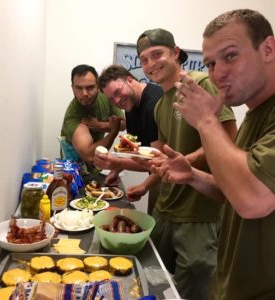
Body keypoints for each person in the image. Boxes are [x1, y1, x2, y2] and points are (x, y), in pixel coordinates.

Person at [150, 9, 275, 300]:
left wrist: (206, 121)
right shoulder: (256, 114)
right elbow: (233, 189)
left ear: (268, 49)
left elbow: (252, 199)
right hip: (230, 285)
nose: (218, 73)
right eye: (210, 63)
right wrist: (192, 175)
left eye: (230, 56)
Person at [128, 28, 237, 300]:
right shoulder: (159, 105)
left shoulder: (200, 83)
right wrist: (143, 178)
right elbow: (166, 159)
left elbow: (228, 138)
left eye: (157, 54)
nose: (151, 64)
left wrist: (186, 163)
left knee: (194, 292)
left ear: (175, 53)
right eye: (144, 59)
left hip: (199, 213)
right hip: (166, 210)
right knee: (156, 284)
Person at [94, 64, 163, 212]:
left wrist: (117, 163)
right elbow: (137, 153)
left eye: (118, 92)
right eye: (111, 99)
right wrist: (117, 169)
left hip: (175, 185)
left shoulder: (154, 105)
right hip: (158, 179)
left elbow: (157, 161)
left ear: (130, 80)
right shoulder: (130, 104)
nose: (117, 101)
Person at [60, 64, 125, 171]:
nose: (84, 93)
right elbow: (90, 157)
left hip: (97, 168)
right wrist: (113, 132)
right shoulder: (73, 116)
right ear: (72, 88)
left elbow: (123, 124)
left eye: (90, 87)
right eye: (79, 88)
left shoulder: (106, 97)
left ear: (98, 86)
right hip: (73, 173)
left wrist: (101, 126)